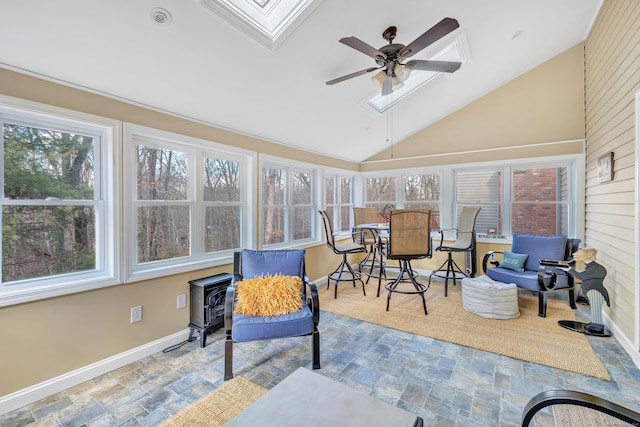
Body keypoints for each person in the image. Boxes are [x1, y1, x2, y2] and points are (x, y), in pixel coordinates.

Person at [558, 248, 609, 333]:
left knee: (596, 308)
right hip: (592, 292)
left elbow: (580, 276)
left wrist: (568, 269)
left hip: (596, 292)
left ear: (588, 255)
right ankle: (594, 323)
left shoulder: (598, 268)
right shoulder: (591, 266)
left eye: (580, 254)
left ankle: (597, 326)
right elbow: (584, 274)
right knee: (594, 309)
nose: (576, 255)